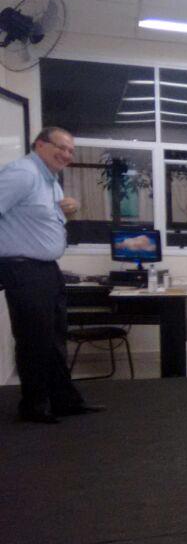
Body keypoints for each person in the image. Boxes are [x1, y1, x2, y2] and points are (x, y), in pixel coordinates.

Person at [0, 126, 102, 424]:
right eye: (61, 147)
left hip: (47, 270)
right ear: (40, 145)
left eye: (71, 150)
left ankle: (64, 401)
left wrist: (71, 208)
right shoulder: (23, 173)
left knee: (55, 338)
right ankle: (33, 407)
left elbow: (40, 219)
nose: (67, 155)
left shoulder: (49, 180)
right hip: (23, 268)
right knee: (34, 339)